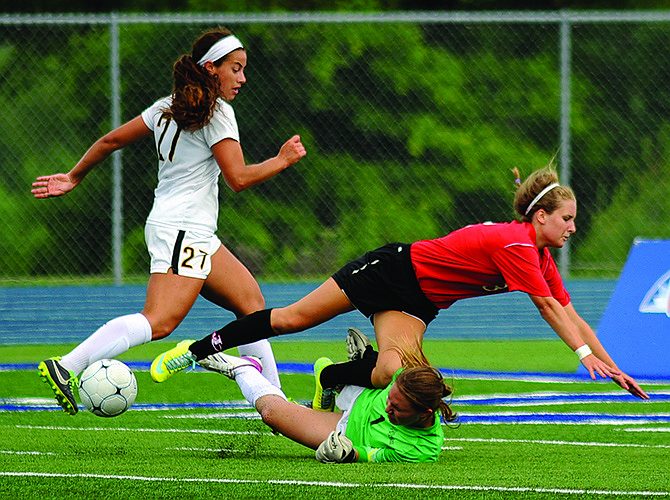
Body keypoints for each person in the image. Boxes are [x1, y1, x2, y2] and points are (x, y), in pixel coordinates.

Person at [152, 165, 649, 400]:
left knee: (391, 373)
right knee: (289, 319)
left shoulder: (538, 256)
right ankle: (197, 349)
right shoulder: (518, 244)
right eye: (567, 218)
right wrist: (587, 361)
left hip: (417, 304)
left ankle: (330, 378)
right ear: (540, 217)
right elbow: (550, 311)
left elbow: (574, 315)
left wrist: (611, 365)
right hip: (392, 271)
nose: (573, 227)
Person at [31, 28, 306, 415]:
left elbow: (110, 141)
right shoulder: (217, 112)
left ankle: (274, 400)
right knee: (159, 322)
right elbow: (238, 179)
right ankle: (67, 366)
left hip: (186, 229)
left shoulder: (167, 106)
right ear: (212, 68)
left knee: (251, 304)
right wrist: (281, 160)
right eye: (236, 69)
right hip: (183, 231)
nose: (242, 78)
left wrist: (74, 176)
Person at [198, 329, 456, 463]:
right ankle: (350, 370)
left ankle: (243, 368)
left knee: (272, 414)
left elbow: (371, 455)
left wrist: (347, 453)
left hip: (343, 431)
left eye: (397, 409)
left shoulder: (423, 450)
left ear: (425, 414)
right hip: (360, 395)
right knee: (381, 370)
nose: (388, 410)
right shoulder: (401, 380)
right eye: (390, 400)